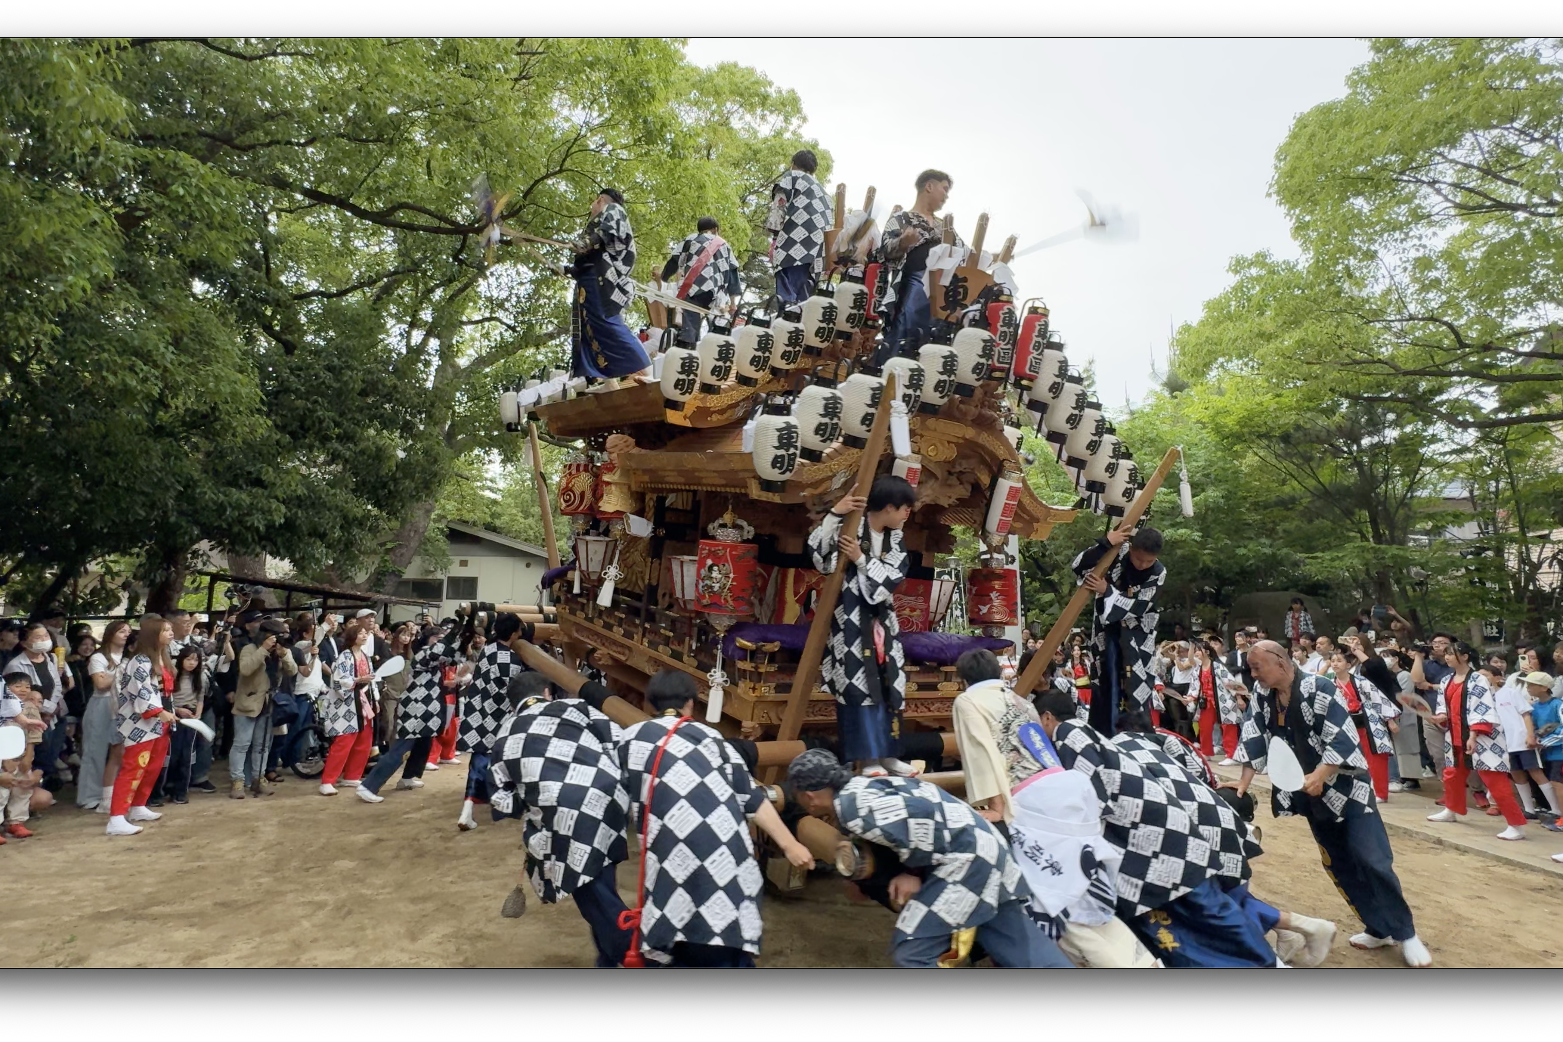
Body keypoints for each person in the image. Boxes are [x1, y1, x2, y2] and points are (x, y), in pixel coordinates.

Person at [1039, 690, 1278, 967]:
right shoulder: (1112, 736)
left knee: (1208, 912)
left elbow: (1092, 801)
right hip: (1176, 828)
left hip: (1157, 839)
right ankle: (1264, 959)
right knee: (1211, 911)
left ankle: (1265, 961)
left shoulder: (1070, 735)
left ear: (1047, 717)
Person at [949, 649, 1155, 967]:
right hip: (1062, 787)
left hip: (1029, 799)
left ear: (964, 679)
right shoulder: (1018, 699)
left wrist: (996, 807)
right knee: (1084, 887)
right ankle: (1143, 961)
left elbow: (980, 754)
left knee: (1058, 899)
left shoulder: (968, 702)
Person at [1231, 640, 1431, 966]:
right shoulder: (1262, 695)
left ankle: (1406, 933)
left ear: (1280, 662)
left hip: (1349, 791)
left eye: (1257, 668)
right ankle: (1378, 928)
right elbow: (1254, 736)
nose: (1253, 675)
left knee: (1372, 860)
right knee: (1339, 864)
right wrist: (1243, 783)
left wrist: (1322, 773)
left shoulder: (1319, 686)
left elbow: (1342, 735)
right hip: (1310, 794)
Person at [618, 670, 809, 966]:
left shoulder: (630, 740)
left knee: (682, 940)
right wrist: (790, 845)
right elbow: (753, 798)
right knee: (724, 943)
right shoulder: (712, 738)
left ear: (649, 703)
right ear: (690, 704)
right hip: (728, 860)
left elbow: (616, 798)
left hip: (671, 862)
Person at [487, 669, 634, 965]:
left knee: (595, 896)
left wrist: (530, 802)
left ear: (513, 704)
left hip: (561, 815)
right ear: (546, 692)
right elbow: (619, 743)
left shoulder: (505, 734)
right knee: (599, 883)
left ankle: (638, 953)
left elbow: (501, 799)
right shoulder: (577, 707)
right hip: (608, 801)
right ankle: (608, 958)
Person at [806, 476, 917, 776]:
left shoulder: (896, 539)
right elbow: (821, 557)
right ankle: (867, 759)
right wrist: (835, 514)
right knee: (856, 683)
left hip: (883, 622)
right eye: (904, 508)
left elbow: (892, 578)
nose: (907, 514)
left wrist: (862, 559)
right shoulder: (852, 526)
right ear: (889, 507)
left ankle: (889, 754)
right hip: (850, 621)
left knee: (890, 682)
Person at [1423, 640, 1527, 839]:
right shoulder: (1446, 680)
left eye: (1451, 653)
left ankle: (1516, 825)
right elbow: (1444, 707)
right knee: (1452, 774)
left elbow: (1483, 709)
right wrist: (1440, 716)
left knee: (1495, 780)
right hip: (1455, 735)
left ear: (1464, 657)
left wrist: (1473, 735)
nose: (1447, 657)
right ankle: (1451, 809)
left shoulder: (1478, 679)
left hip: (1482, 738)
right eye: (1446, 653)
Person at [1072, 524, 1166, 736]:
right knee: (1104, 685)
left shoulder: (1159, 572)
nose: (1143, 565)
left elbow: (1140, 606)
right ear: (1131, 548)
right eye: (1139, 559)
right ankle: (1102, 737)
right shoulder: (1117, 552)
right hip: (1106, 635)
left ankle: (1136, 738)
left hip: (1138, 640)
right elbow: (1078, 566)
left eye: (1149, 561)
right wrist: (1106, 543)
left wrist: (1107, 590)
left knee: (1136, 690)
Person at [357, 624, 450, 802]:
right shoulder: (424, 653)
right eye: (437, 639)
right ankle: (368, 786)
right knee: (400, 748)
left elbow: (454, 653)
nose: (440, 643)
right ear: (428, 639)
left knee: (423, 743)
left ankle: (408, 777)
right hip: (414, 708)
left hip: (428, 708)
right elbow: (446, 649)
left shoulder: (434, 655)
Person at [569, 187, 650, 385]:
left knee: (609, 324)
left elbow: (604, 235)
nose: (592, 207)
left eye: (593, 202)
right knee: (593, 331)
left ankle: (647, 372)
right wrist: (569, 269)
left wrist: (587, 242)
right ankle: (608, 380)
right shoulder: (599, 223)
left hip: (604, 280)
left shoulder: (613, 209)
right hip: (591, 280)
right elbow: (588, 257)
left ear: (599, 200)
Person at [878, 169, 963, 358]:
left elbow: (963, 255)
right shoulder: (902, 219)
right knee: (904, 338)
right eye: (944, 189)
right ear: (929, 186)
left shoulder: (946, 228)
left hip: (942, 294)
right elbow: (884, 251)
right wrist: (903, 242)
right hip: (911, 285)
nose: (947, 196)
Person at [106, 615, 177, 837]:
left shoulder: (162, 657)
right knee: (133, 767)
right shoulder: (140, 660)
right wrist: (158, 711)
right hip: (140, 722)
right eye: (166, 630)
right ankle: (117, 817)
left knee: (152, 766)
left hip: (161, 720)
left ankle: (138, 805)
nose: (171, 633)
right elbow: (140, 691)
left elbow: (166, 691)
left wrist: (168, 712)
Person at [457, 614, 526, 830]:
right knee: (509, 759)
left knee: (479, 761)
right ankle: (506, 803)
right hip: (501, 717)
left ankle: (468, 809)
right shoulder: (513, 659)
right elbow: (512, 691)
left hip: (478, 711)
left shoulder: (488, 649)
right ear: (514, 633)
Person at [231, 618, 295, 799]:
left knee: (262, 746)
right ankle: (237, 781)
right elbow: (245, 669)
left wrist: (284, 654)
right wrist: (263, 649)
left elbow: (293, 671)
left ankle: (259, 779)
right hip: (248, 703)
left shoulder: (280, 651)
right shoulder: (250, 649)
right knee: (241, 744)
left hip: (269, 705)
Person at [1328, 648, 1398, 802]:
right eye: (1332, 661)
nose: (1335, 664)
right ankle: (1351, 791)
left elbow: (1378, 699)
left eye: (1339, 661)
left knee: (1376, 758)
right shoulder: (1330, 684)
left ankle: (1380, 793)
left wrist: (1390, 719)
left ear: (1348, 664)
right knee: (1346, 758)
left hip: (1367, 722)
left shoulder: (1361, 681)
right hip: (1344, 724)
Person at [661, 216, 741, 345]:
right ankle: (711, 345)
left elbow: (675, 260)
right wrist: (733, 303)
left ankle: (688, 346)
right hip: (716, 293)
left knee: (690, 323)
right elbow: (732, 273)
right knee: (714, 323)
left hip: (694, 288)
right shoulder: (724, 244)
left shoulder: (691, 239)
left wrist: (663, 278)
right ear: (715, 229)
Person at [320, 620, 378, 799]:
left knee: (364, 740)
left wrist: (375, 699)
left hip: (364, 700)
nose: (364, 635)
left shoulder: (366, 656)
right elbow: (339, 681)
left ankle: (352, 775)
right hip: (346, 704)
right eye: (360, 633)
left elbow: (372, 679)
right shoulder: (344, 656)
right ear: (353, 636)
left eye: (365, 633)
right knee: (344, 741)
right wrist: (358, 680)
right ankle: (327, 780)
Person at [765, 149, 830, 306]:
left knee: (786, 298)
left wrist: (775, 240)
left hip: (792, 245)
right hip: (817, 252)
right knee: (803, 302)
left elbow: (778, 211)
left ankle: (786, 316)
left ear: (793, 164)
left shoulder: (791, 178)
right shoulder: (823, 192)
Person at [6, 622, 67, 788]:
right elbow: (21, 693)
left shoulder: (51, 658)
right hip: (28, 715)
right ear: (24, 642)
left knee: (49, 753)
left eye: (45, 636)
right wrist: (46, 708)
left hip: (51, 715)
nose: (44, 640)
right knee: (33, 752)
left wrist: (51, 707)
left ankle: (41, 784)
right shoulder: (15, 665)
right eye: (38, 637)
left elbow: (57, 684)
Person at [1497, 668, 1562, 821]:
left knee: (1556, 782)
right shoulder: (1534, 706)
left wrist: (1543, 741)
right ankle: (1545, 810)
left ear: (1544, 687)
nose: (1528, 687)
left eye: (1532, 685)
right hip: (1545, 752)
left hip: (1559, 751)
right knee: (1549, 780)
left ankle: (1558, 812)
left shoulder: (1558, 705)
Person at [79, 620, 129, 812]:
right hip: (102, 704)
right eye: (121, 631)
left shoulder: (128, 657)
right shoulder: (98, 657)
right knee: (95, 749)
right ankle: (89, 796)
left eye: (128, 631)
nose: (125, 635)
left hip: (122, 705)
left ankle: (112, 793)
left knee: (119, 751)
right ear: (111, 634)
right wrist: (122, 674)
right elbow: (100, 684)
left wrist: (114, 676)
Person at [154, 644, 205, 805]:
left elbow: (200, 698)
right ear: (181, 659)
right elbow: (166, 698)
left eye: (195, 660)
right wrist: (177, 710)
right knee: (172, 754)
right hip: (173, 715)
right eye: (188, 659)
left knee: (187, 754)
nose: (192, 663)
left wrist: (198, 715)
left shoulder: (200, 677)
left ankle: (181, 791)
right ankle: (165, 788)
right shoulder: (173, 674)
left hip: (191, 717)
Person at [1195, 636, 1242, 763]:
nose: (1196, 653)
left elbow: (1230, 682)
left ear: (1207, 652)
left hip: (1223, 701)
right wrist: (1191, 697)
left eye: (1198, 650)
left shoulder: (1218, 667)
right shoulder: (1197, 669)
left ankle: (1231, 755)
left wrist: (1239, 697)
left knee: (1228, 727)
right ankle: (1206, 752)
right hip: (1206, 702)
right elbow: (1195, 686)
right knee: (1204, 727)